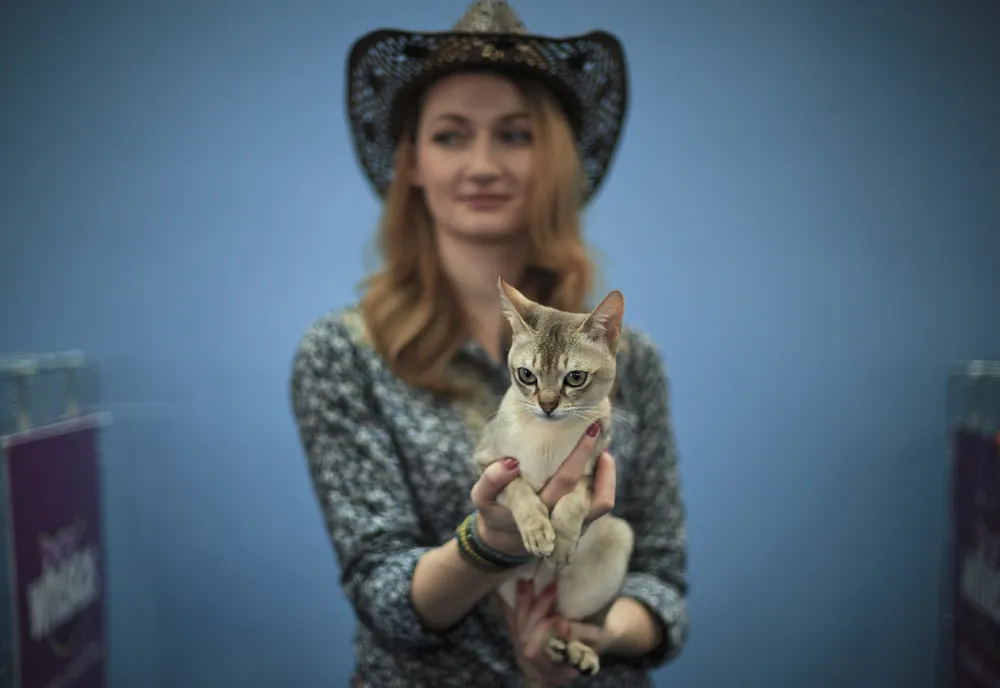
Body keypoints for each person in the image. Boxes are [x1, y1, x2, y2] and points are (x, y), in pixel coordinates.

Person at [289, 1, 688, 685]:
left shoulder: (631, 358)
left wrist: (593, 635)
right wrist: (490, 542)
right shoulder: (343, 355)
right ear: (411, 162)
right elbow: (381, 590)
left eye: (514, 134)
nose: (481, 164)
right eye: (449, 136)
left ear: (554, 160)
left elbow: (662, 585)